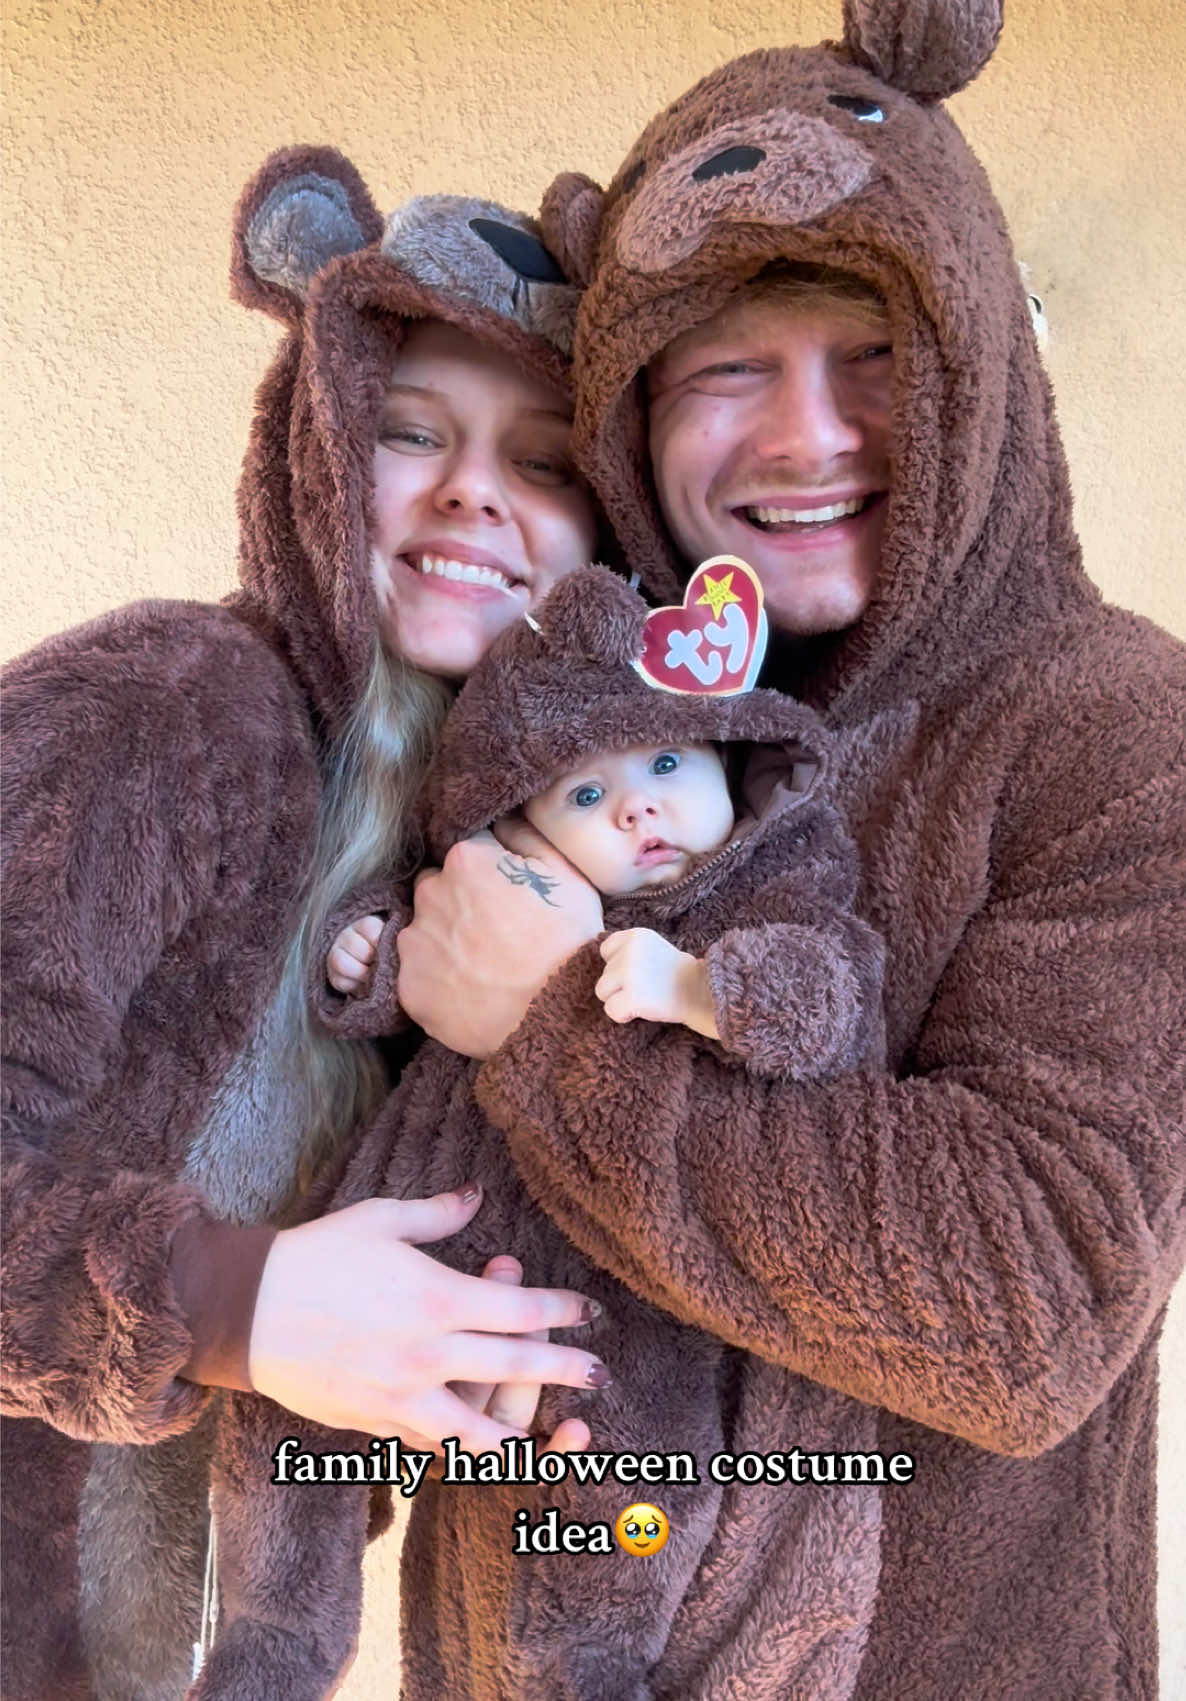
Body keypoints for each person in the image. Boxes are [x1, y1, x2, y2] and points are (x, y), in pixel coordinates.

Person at [394, 4, 1186, 1697]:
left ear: (984, 371)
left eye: (872, 353)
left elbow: (1025, 1297)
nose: (800, 439)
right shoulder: (572, 708)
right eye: (724, 371)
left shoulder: (1118, 727)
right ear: (630, 416)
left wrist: (554, 1026)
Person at [0, 147, 610, 1701]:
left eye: (545, 460)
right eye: (413, 431)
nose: (476, 488)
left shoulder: (496, 855)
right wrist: (240, 1302)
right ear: (320, 447)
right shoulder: (167, 708)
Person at [186, 563, 886, 1701]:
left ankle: (585, 1674)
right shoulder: (501, 878)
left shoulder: (763, 886)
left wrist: (701, 990)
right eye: (584, 795)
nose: (637, 810)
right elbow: (412, 954)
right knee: (284, 1438)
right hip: (401, 1237)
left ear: (724, 754)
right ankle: (268, 1651)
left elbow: (826, 997)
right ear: (517, 816)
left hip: (601, 1291)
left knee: (605, 1503)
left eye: (664, 764)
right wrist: (363, 960)